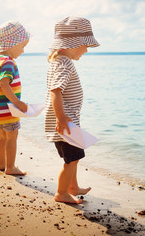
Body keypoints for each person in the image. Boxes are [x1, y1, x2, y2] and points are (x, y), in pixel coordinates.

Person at [45, 17, 100, 204]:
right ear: (72, 44)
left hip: (66, 121)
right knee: (72, 159)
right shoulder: (64, 63)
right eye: (85, 45)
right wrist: (61, 118)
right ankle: (61, 193)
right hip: (64, 123)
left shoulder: (59, 60)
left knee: (74, 156)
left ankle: (73, 187)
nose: (86, 50)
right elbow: (55, 90)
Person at [0, 21, 30, 176]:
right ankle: (10, 167)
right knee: (12, 136)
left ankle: (0, 164)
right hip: (7, 110)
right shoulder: (8, 62)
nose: (23, 51)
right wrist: (17, 102)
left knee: (2, 137)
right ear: (12, 44)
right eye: (22, 46)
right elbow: (4, 83)